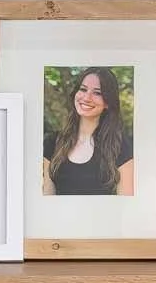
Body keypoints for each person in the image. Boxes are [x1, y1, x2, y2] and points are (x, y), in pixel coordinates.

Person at [43, 67, 133, 196]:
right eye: (83, 89)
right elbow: (46, 199)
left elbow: (128, 205)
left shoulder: (121, 146)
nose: (86, 97)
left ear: (108, 102)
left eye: (97, 93)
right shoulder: (51, 143)